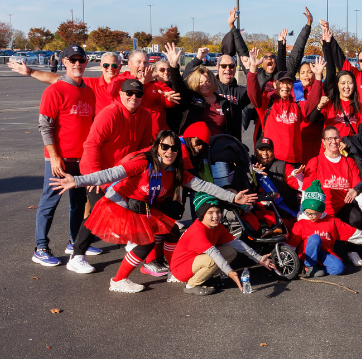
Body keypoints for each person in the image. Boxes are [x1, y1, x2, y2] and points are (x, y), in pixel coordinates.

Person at [52, 131, 257, 292]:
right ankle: (119, 280)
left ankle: (174, 271)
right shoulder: (144, 163)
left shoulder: (176, 171)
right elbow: (112, 173)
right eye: (164, 146)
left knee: (172, 231)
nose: (169, 151)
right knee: (146, 240)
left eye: (174, 148)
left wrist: (233, 197)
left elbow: (203, 185)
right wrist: (76, 181)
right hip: (121, 202)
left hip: (142, 205)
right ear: (157, 147)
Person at [27, 45, 96, 266]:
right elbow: (45, 126)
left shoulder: (88, 91)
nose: (77, 64)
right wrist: (54, 156)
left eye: (81, 60)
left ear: (86, 62)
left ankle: (75, 242)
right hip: (60, 159)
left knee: (78, 203)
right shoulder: (54, 90)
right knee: (50, 201)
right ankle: (40, 248)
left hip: (81, 159)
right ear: (64, 62)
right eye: (72, 60)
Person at [291, 126, 362, 266]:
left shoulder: (349, 162)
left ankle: (352, 251)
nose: (333, 142)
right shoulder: (315, 162)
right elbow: (307, 192)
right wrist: (303, 214)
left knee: (356, 218)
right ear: (323, 141)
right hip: (323, 210)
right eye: (329, 138)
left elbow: (359, 191)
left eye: (336, 138)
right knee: (329, 250)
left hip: (342, 207)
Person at [169, 193, 275, 295]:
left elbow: (237, 243)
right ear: (202, 214)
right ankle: (191, 285)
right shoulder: (198, 231)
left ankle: (205, 278)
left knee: (231, 251)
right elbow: (214, 254)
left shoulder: (217, 226)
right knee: (213, 259)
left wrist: (258, 258)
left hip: (196, 261)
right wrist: (230, 272)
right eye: (210, 212)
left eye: (218, 212)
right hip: (181, 268)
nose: (215, 216)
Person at [288, 180, 362, 277]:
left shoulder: (332, 221)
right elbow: (291, 245)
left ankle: (316, 270)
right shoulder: (301, 223)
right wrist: (286, 263)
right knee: (315, 238)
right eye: (308, 213)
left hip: (324, 253)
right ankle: (309, 267)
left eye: (314, 213)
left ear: (321, 210)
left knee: (339, 268)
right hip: (307, 256)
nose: (311, 216)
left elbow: (352, 233)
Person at [247, 48, 325, 165]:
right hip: (272, 161)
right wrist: (253, 69)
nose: (285, 86)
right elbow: (253, 93)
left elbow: (312, 102)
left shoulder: (297, 105)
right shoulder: (267, 104)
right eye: (281, 83)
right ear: (275, 85)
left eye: (289, 83)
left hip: (294, 161)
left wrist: (318, 77)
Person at [169, 45, 241, 138]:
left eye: (208, 81)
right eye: (200, 82)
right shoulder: (191, 99)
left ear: (213, 82)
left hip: (218, 144)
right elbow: (179, 86)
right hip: (194, 144)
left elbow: (232, 130)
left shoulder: (225, 103)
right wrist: (174, 67)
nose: (205, 84)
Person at [10, 51, 121, 110]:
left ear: (120, 66)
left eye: (114, 65)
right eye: (106, 65)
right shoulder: (91, 84)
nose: (110, 68)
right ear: (101, 66)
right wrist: (30, 71)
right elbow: (56, 79)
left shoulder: (127, 85)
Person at [307, 69, 362, 167]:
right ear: (337, 85)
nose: (346, 86)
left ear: (354, 85)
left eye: (350, 83)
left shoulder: (358, 107)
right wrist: (319, 106)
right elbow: (313, 120)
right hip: (329, 152)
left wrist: (347, 142)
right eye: (343, 83)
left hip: (349, 153)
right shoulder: (330, 103)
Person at [252, 136, 301, 218]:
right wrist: (252, 173)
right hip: (257, 212)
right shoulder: (248, 166)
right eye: (261, 150)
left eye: (268, 150)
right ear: (255, 151)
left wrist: (299, 176)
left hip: (283, 214)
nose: (265, 153)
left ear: (273, 152)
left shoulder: (284, 167)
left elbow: (301, 186)